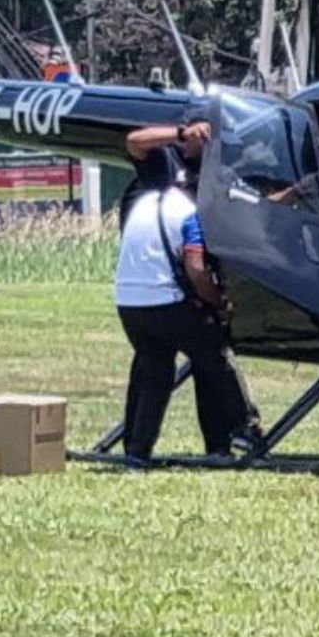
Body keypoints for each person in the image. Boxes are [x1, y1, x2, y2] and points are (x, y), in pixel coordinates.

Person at [114, 120, 256, 461]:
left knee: (154, 369)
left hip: (129, 299)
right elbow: (195, 267)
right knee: (215, 355)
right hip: (169, 296)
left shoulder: (155, 201)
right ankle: (247, 432)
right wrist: (217, 301)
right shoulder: (180, 192)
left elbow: (250, 205)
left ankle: (137, 448)